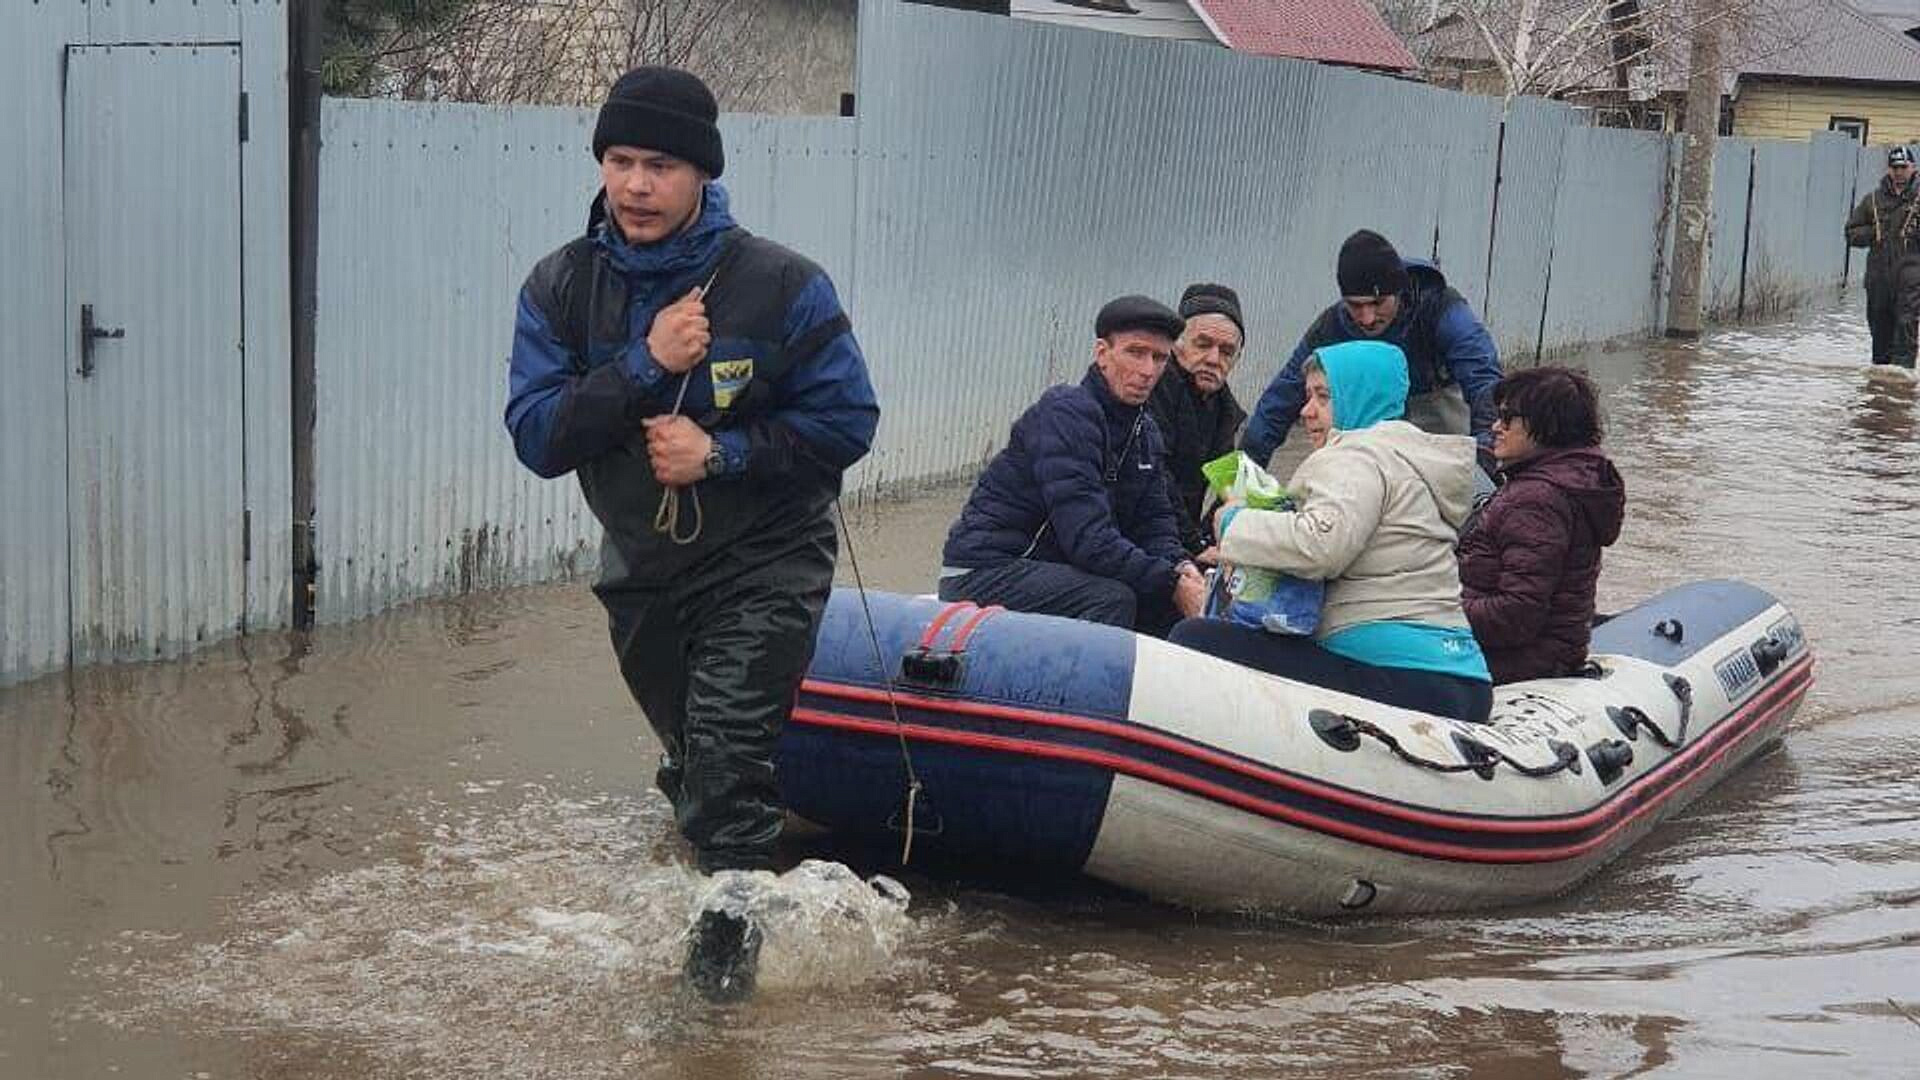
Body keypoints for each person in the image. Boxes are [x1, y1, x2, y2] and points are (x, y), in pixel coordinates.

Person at [503, 67, 879, 999]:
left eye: (660, 165)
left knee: (727, 771)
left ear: (702, 173)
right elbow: (537, 437)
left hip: (766, 561)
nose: (636, 185)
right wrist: (643, 364)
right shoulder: (559, 285)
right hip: (641, 570)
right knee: (695, 768)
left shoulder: (782, 284)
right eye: (621, 161)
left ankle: (715, 1010)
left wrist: (724, 454)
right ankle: (741, 900)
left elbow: (849, 422)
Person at [1169, 340, 1493, 724]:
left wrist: (1233, 522)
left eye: (1323, 397)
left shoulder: (1355, 455)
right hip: (1464, 679)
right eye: (1307, 396)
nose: (1306, 411)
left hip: (1396, 675)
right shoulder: (1409, 459)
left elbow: (1320, 546)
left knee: (1196, 637)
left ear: (1360, 396)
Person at [939, 296, 1208, 634]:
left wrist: (1182, 568)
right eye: (1135, 352)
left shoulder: (1145, 432)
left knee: (1164, 599)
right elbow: (1088, 541)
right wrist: (1170, 583)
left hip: (1051, 569)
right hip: (987, 570)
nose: (1148, 370)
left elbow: (1154, 523)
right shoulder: (1066, 414)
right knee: (1112, 598)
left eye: (1159, 358)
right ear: (1102, 354)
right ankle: (1088, 688)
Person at [1241, 230, 1502, 467]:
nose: (1367, 318)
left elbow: (1484, 381)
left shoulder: (1441, 308)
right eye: (1355, 305)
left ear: (1398, 292)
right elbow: (1280, 399)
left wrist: (1486, 453)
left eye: (1378, 303)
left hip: (1436, 412)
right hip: (1367, 426)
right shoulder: (1331, 326)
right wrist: (1241, 475)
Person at [1457, 367, 1624, 684]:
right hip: (1553, 651)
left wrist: (1430, 611)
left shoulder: (1536, 500)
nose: (1495, 427)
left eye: (1507, 419)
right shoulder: (1569, 480)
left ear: (1546, 426)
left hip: (1521, 660)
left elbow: (1516, 615)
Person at [1146, 282, 1249, 565]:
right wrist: (1194, 543)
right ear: (1177, 344)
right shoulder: (1152, 390)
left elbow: (1230, 483)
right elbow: (1156, 476)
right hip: (1140, 532)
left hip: (1177, 535)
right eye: (1203, 345)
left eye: (1227, 351)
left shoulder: (1224, 409)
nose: (1214, 359)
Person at [1845, 145, 1920, 369]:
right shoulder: (1873, 200)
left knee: (1906, 328)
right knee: (1879, 333)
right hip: (1878, 278)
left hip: (1911, 279)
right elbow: (1850, 232)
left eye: (1903, 167)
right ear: (1889, 169)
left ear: (1913, 168)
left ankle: (1901, 387)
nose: (1899, 172)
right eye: (1894, 167)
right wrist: (1872, 234)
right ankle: (1880, 391)